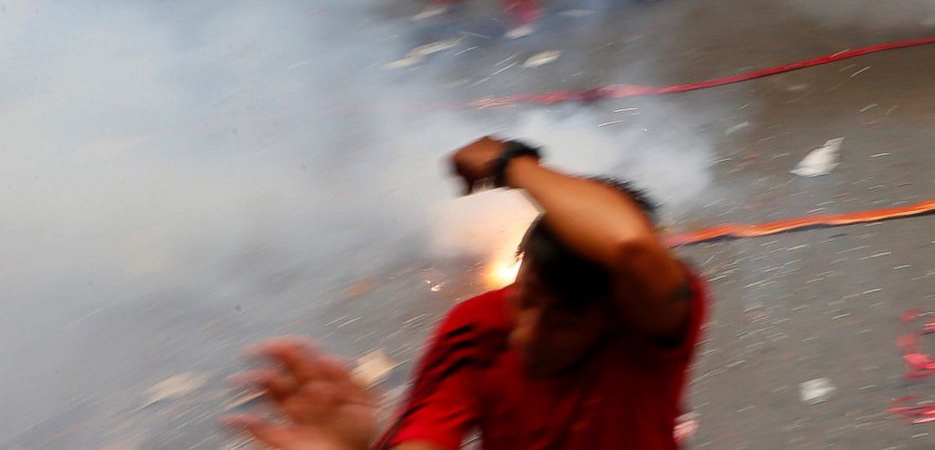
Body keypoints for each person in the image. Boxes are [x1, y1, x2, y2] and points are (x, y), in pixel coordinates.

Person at [229, 138, 706, 450]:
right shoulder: (477, 328)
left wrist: (512, 164)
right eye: (525, 295)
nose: (524, 333)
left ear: (616, 313)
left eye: (562, 319)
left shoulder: (651, 327)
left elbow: (630, 246)